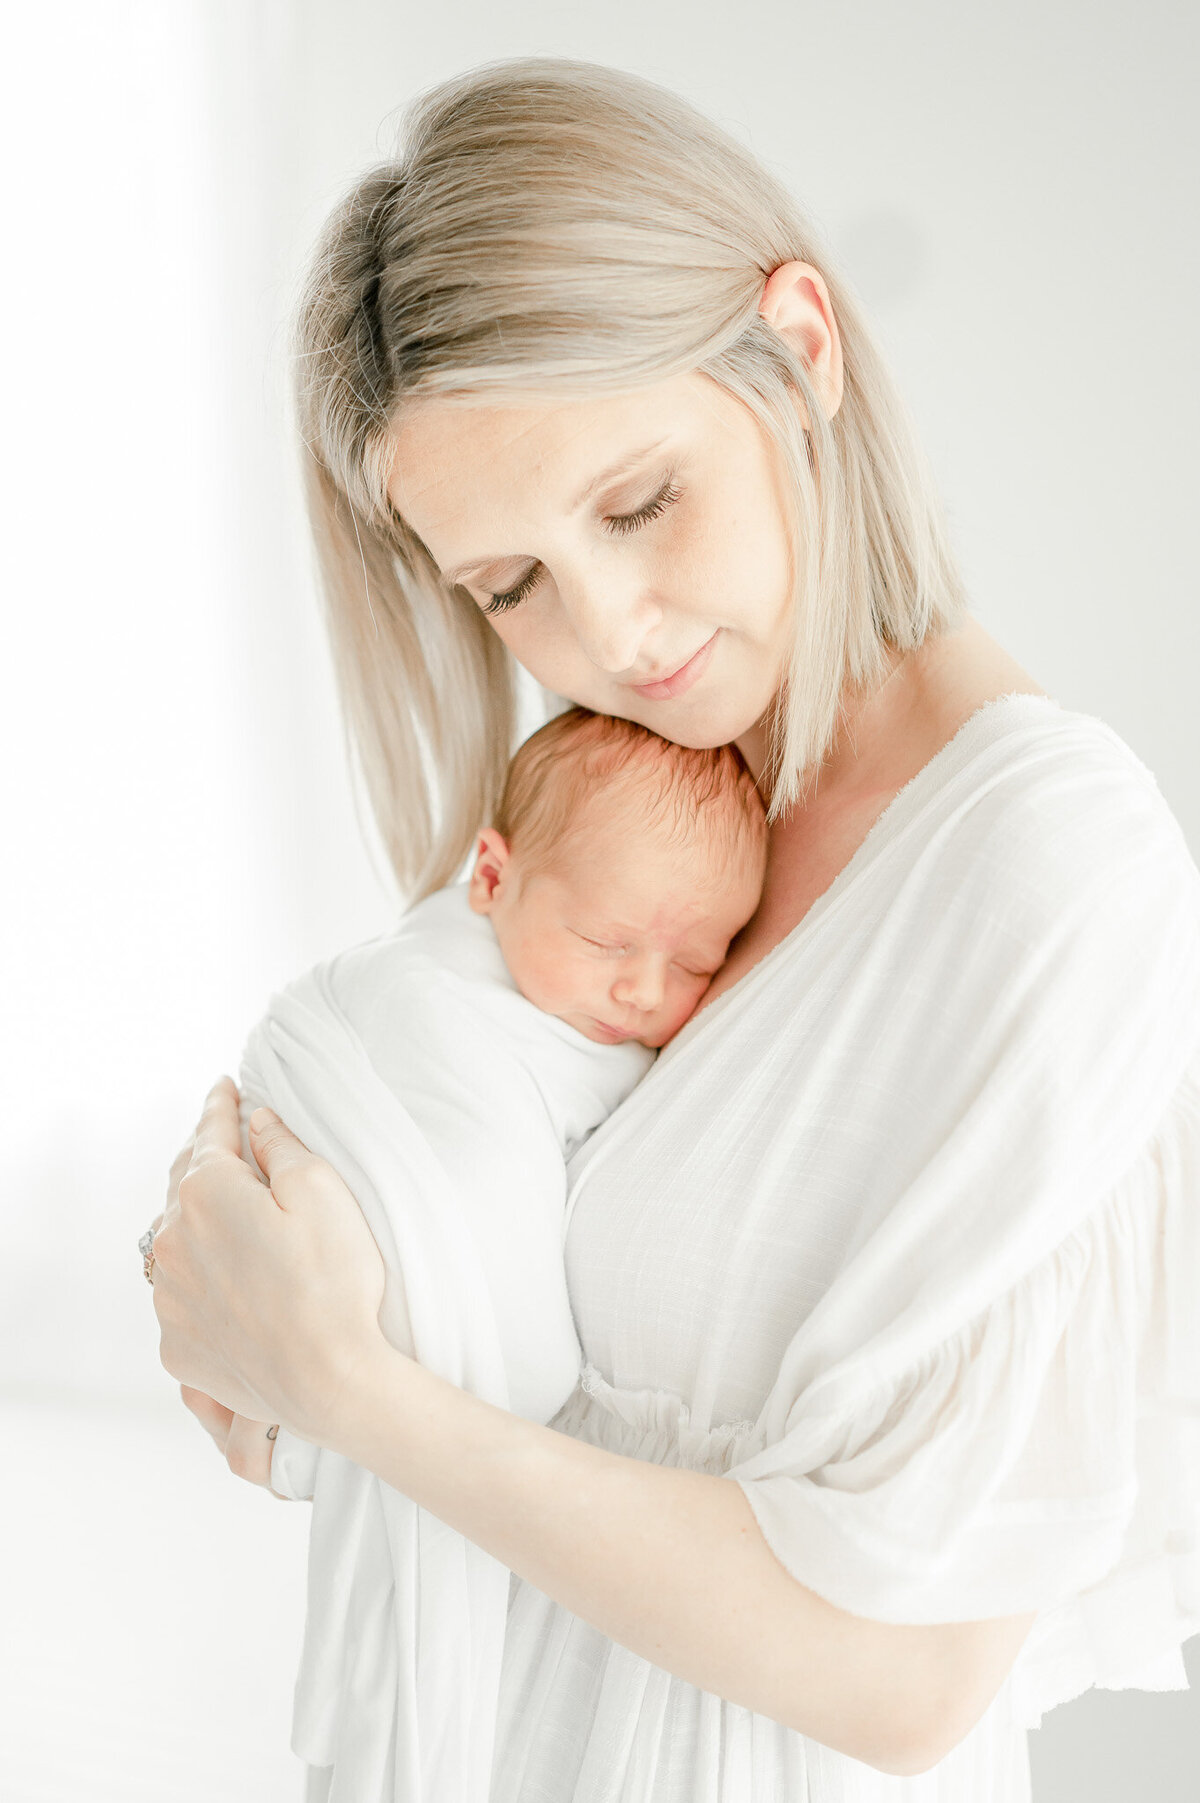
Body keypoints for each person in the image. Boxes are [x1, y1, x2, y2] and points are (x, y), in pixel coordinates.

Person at [146, 54, 1200, 1803]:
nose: (615, 626)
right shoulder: (654, 819)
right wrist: (278, 1264)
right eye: (512, 588)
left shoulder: (1042, 858)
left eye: (639, 504)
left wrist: (346, 1378)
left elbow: (904, 1671)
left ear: (801, 347)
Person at [230, 704, 766, 1796]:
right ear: (490, 878)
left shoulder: (592, 1021)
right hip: (352, 1202)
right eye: (611, 943)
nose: (647, 992)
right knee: (521, 1367)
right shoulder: (430, 985)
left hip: (387, 1387)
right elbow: (385, 1104)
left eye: (698, 961)